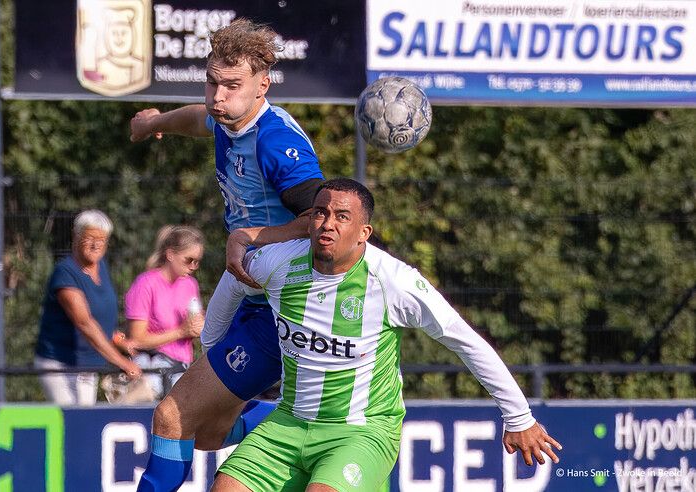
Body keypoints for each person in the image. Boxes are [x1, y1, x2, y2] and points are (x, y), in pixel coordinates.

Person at [196, 178, 563, 491]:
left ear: (363, 233)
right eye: (321, 213)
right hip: (289, 422)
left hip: (361, 432)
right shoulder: (280, 262)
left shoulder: (393, 281)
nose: (328, 224)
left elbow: (464, 340)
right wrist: (211, 351)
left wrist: (519, 417)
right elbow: (235, 277)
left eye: (343, 217)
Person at [130, 18, 324, 491]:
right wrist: (154, 123)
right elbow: (197, 119)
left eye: (232, 86)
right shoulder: (225, 119)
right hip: (246, 296)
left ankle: (307, 429)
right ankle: (295, 425)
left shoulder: (277, 143)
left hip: (283, 310)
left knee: (172, 416)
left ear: (263, 85)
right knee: (208, 433)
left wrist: (251, 235)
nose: (218, 96)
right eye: (212, 82)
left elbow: (324, 219)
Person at [34, 209, 140, 406]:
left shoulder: (102, 267)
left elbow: (100, 317)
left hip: (88, 365)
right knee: (72, 420)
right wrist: (122, 362)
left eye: (102, 239)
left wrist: (117, 339)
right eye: (90, 237)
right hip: (60, 363)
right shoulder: (65, 273)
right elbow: (85, 323)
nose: (96, 245)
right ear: (76, 236)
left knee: (84, 419)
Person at [123, 225, 205, 399]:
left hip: (182, 368)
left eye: (197, 261)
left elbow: (194, 327)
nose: (193, 266)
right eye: (189, 260)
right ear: (170, 255)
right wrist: (181, 331)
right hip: (153, 370)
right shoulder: (145, 284)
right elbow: (137, 339)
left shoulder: (190, 285)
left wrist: (199, 327)